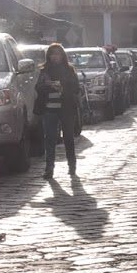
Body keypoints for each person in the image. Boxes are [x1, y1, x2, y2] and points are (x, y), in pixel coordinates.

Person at [34, 43, 81, 179]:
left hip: (67, 108)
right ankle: (49, 168)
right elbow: (38, 88)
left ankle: (72, 166)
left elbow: (76, 88)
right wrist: (48, 86)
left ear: (62, 55)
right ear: (49, 56)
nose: (55, 56)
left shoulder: (69, 70)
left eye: (58, 53)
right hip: (49, 109)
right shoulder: (44, 70)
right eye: (52, 54)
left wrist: (62, 86)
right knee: (50, 139)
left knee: (68, 138)